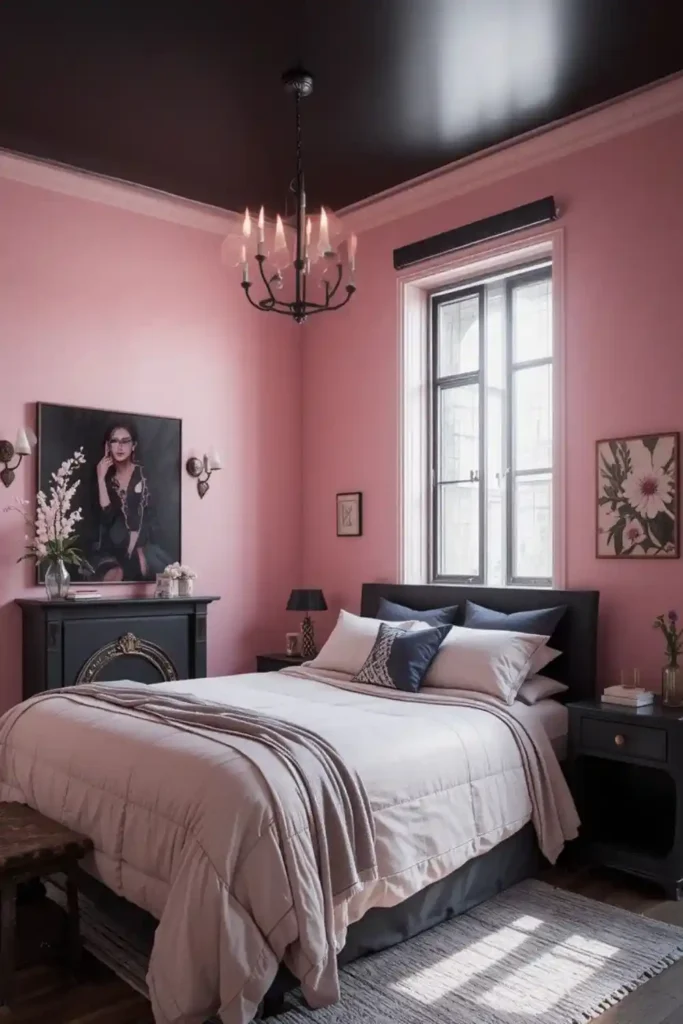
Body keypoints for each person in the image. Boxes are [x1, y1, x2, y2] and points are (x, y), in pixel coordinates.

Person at [89, 421, 170, 582]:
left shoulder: (144, 475)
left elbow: (151, 517)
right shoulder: (103, 479)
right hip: (113, 549)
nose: (120, 447)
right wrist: (100, 479)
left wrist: (138, 550)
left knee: (151, 566)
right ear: (108, 446)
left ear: (133, 446)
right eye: (115, 441)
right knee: (113, 573)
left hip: (144, 547)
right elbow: (106, 517)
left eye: (125, 441)